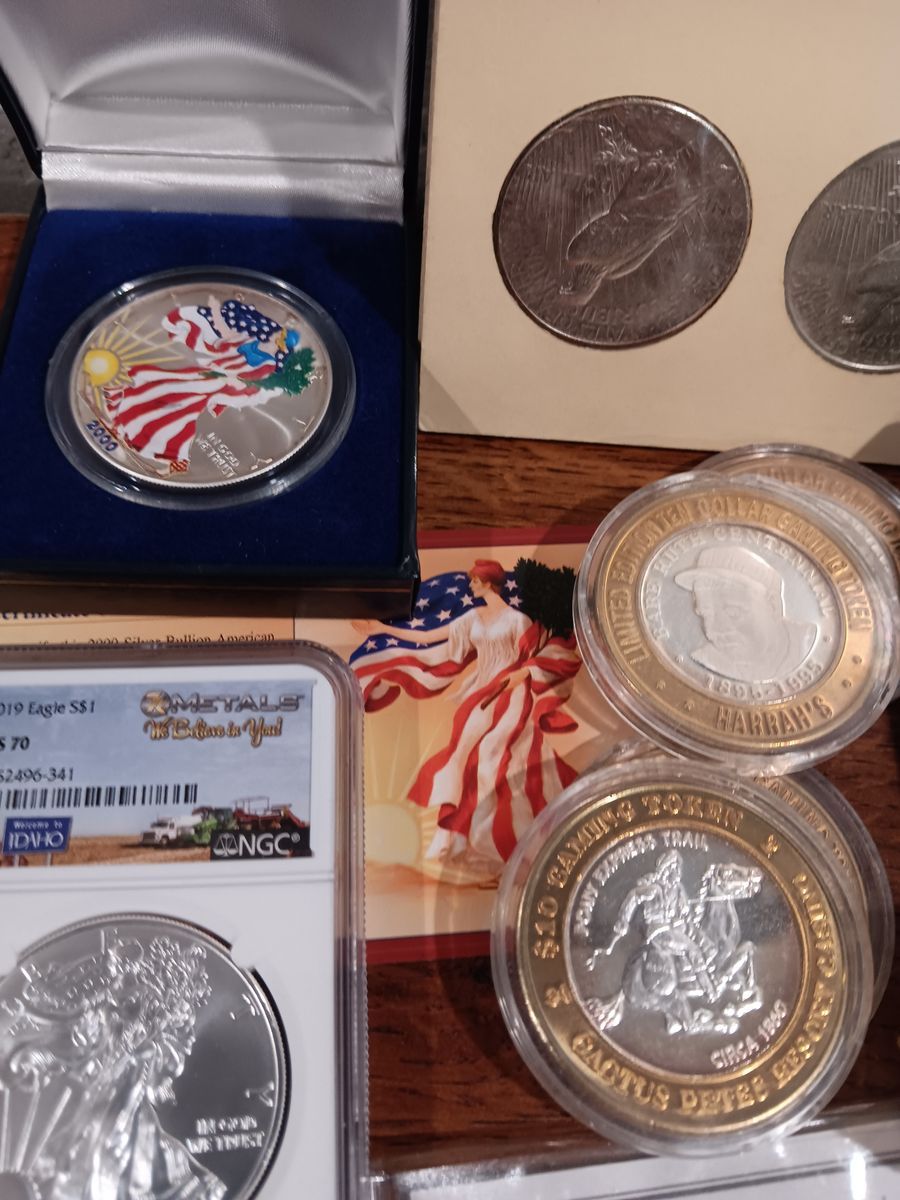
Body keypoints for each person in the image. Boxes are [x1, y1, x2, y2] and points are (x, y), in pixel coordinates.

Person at [352, 559, 581, 865]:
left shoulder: (517, 620)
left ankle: (468, 836)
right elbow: (431, 637)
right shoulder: (473, 617)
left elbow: (533, 658)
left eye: (475, 580)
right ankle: (452, 835)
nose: (471, 585)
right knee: (459, 754)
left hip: (511, 695)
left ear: (488, 584)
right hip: (479, 693)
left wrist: (523, 674)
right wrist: (381, 628)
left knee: (489, 754)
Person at [674, 545, 815, 682]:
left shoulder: (810, 646)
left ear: (773, 605)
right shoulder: (703, 662)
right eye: (706, 615)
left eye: (733, 613)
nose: (713, 631)